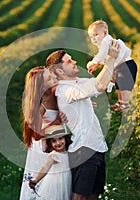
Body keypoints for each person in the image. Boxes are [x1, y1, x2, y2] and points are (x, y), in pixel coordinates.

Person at [46, 40, 120, 200]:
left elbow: (102, 83)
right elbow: (99, 85)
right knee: (79, 196)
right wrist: (111, 59)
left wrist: (110, 65)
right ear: (59, 70)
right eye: (69, 61)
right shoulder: (65, 90)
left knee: (94, 195)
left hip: (97, 146)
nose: (74, 62)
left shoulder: (77, 83)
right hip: (84, 150)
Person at [20, 66, 68, 200]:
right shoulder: (40, 106)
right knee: (44, 182)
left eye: (52, 75)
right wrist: (56, 122)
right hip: (44, 148)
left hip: (56, 142)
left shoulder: (54, 93)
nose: (54, 78)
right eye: (49, 78)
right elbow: (36, 135)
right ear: (41, 86)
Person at [87, 20, 138, 112]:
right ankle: (120, 102)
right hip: (120, 66)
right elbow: (106, 58)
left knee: (124, 85)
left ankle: (125, 103)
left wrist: (94, 62)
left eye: (96, 35)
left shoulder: (105, 41)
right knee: (119, 84)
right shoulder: (104, 42)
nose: (93, 38)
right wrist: (98, 64)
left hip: (126, 65)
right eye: (91, 37)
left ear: (105, 32)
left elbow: (102, 55)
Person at [28, 125, 72, 200]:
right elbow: (45, 168)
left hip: (66, 182)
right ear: (50, 144)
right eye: (54, 141)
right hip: (55, 183)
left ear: (65, 138)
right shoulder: (54, 155)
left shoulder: (69, 152)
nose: (58, 143)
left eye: (60, 138)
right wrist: (36, 180)